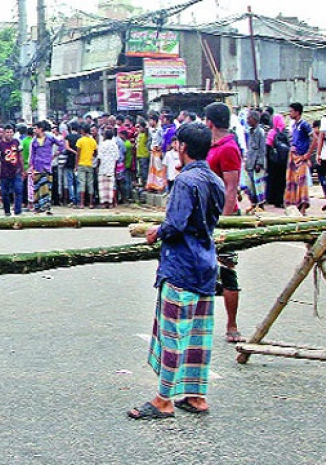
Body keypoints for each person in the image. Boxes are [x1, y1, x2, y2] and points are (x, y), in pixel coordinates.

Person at [128, 122, 225, 420]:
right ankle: (196, 395)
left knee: (174, 335)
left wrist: (157, 230)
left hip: (182, 265)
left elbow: (176, 224)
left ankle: (163, 400)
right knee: (198, 334)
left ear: (183, 147)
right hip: (206, 264)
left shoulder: (186, 181)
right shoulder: (215, 181)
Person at [204, 102, 242, 343]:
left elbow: (231, 188)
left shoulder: (229, 148)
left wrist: (225, 222)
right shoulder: (213, 146)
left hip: (223, 215)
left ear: (210, 122)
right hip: (207, 215)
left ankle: (232, 324)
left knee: (227, 270)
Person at [29, 120, 64, 214]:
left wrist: (56, 154)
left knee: (46, 186)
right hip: (37, 166)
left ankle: (46, 207)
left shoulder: (50, 137)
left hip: (47, 165)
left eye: (35, 128)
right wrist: (31, 168)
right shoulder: (34, 141)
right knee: (37, 187)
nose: (34, 130)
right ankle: (37, 207)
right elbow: (32, 155)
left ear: (40, 129)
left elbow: (61, 144)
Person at [285, 103, 313, 215]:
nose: (289, 113)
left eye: (291, 111)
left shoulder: (304, 125)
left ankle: (303, 207)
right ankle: (293, 205)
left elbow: (315, 138)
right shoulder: (294, 125)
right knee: (292, 181)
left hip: (301, 156)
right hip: (293, 155)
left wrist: (308, 154)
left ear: (297, 112)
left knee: (302, 182)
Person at [0, 124, 23, 216]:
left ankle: (18, 211)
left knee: (18, 191)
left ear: (13, 133)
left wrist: (23, 170)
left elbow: (21, 156)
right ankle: (7, 211)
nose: (9, 134)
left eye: (11, 132)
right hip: (4, 172)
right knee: (4, 193)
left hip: (16, 171)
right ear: (4, 133)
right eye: (7, 132)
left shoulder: (17, 142)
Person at [244, 110, 267, 213]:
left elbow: (262, 149)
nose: (247, 120)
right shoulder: (250, 131)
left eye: (249, 118)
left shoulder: (260, 132)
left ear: (254, 119)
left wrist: (259, 163)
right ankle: (253, 204)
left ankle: (261, 205)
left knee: (259, 185)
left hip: (257, 162)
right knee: (250, 185)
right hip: (250, 161)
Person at [265, 114, 288, 208]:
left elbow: (267, 146)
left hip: (273, 160)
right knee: (282, 180)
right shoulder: (286, 132)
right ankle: (280, 200)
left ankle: (271, 198)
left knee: (272, 179)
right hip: (283, 160)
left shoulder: (272, 132)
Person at [95, 128, 120, 208]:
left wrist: (97, 166)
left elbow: (99, 157)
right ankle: (110, 203)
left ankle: (103, 203)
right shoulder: (115, 145)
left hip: (103, 167)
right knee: (110, 186)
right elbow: (116, 158)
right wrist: (115, 169)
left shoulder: (102, 144)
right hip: (111, 167)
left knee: (102, 186)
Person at [75, 124, 97, 208]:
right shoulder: (93, 141)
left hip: (81, 164)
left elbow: (78, 154)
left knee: (82, 183)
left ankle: (81, 203)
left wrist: (76, 165)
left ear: (83, 131)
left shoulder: (80, 140)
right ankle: (91, 203)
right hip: (90, 164)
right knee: (90, 184)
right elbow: (95, 152)